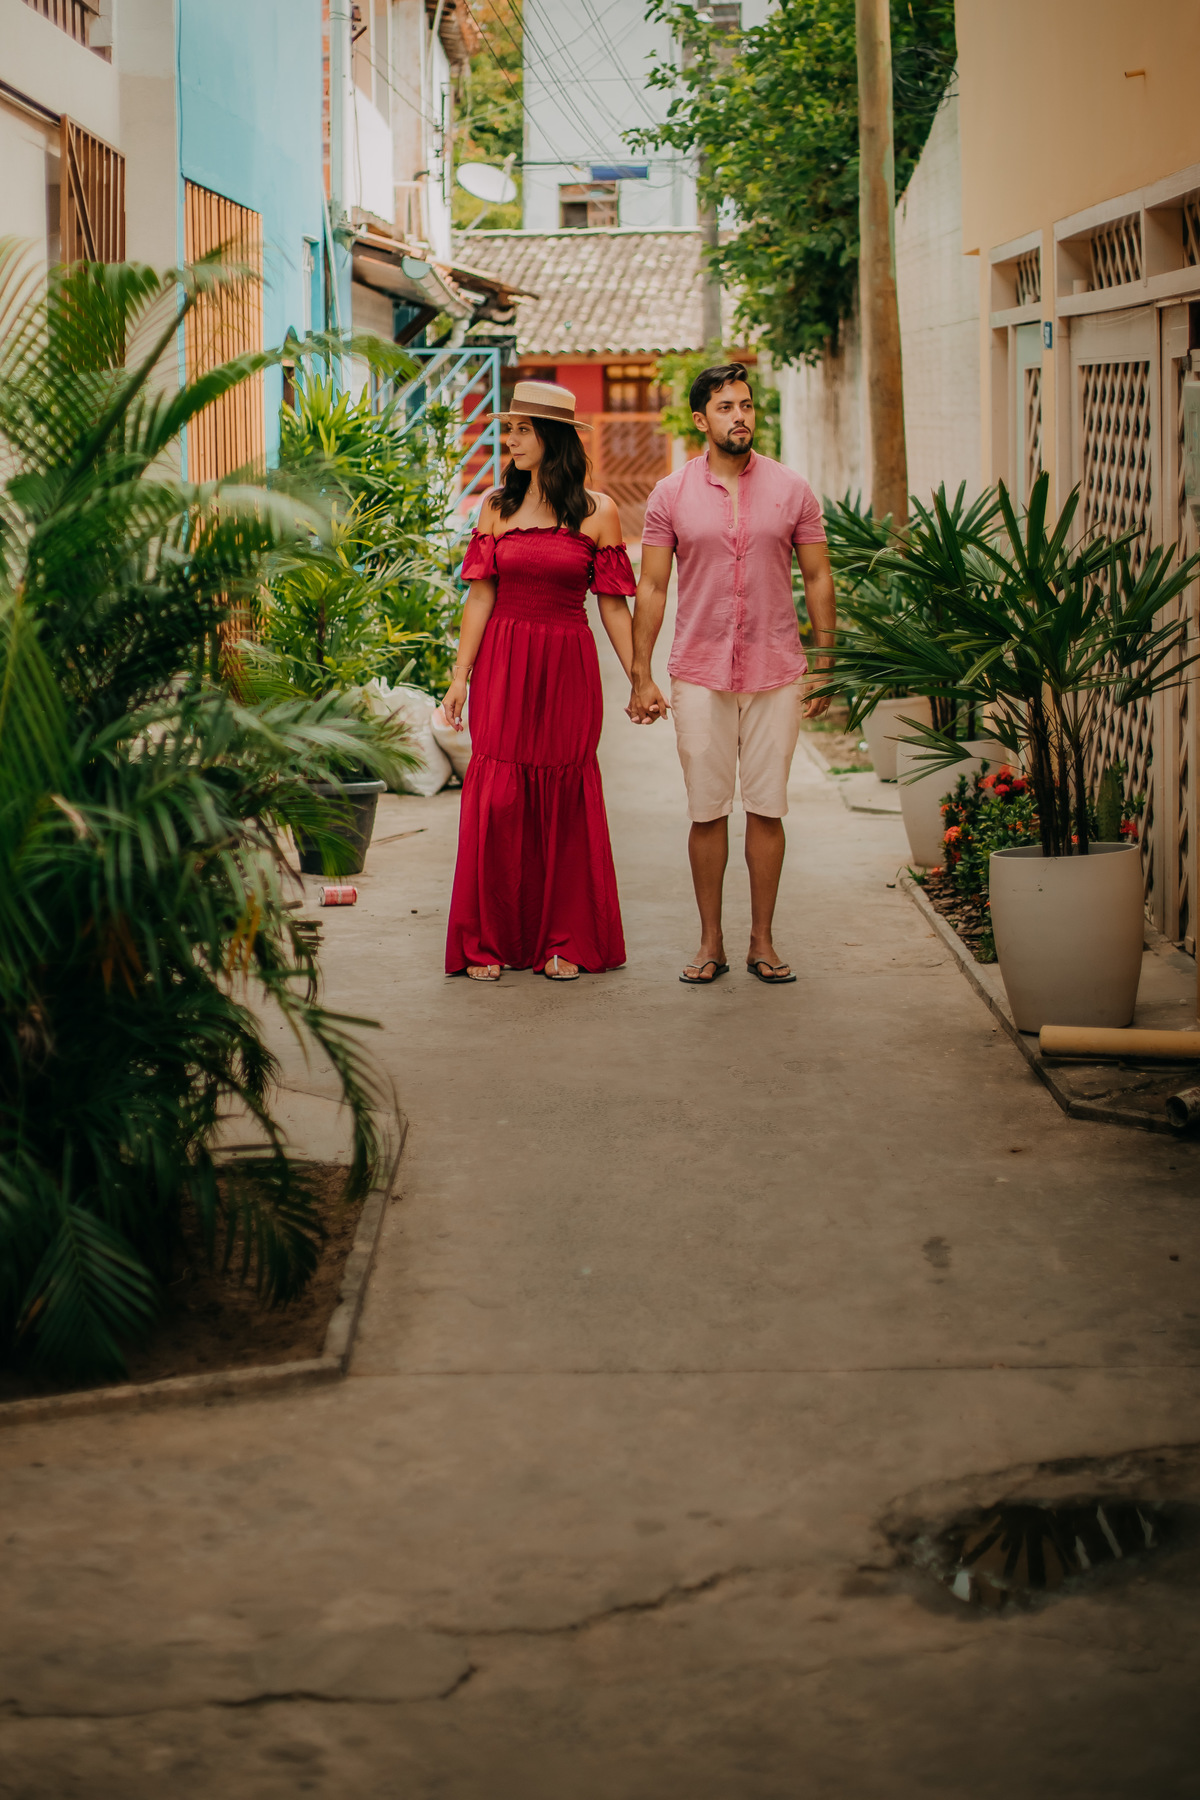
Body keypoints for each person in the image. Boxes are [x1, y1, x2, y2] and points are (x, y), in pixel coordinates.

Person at [628, 362, 836, 986]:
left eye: (746, 405)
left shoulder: (792, 489)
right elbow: (654, 585)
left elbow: (820, 576)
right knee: (707, 810)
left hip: (776, 669)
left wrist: (825, 665)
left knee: (768, 809)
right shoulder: (670, 494)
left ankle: (763, 941)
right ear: (701, 420)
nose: (739, 415)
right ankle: (710, 941)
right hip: (699, 671)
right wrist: (641, 675)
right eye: (725, 407)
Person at [442, 380, 636, 983]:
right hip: (503, 660)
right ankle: (488, 938)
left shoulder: (599, 511)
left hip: (567, 664)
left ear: (551, 437)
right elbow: (480, 597)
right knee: (498, 796)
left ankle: (565, 937)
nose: (510, 439)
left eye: (522, 429)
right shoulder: (495, 508)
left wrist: (641, 679)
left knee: (566, 796)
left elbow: (611, 606)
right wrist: (459, 678)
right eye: (510, 429)